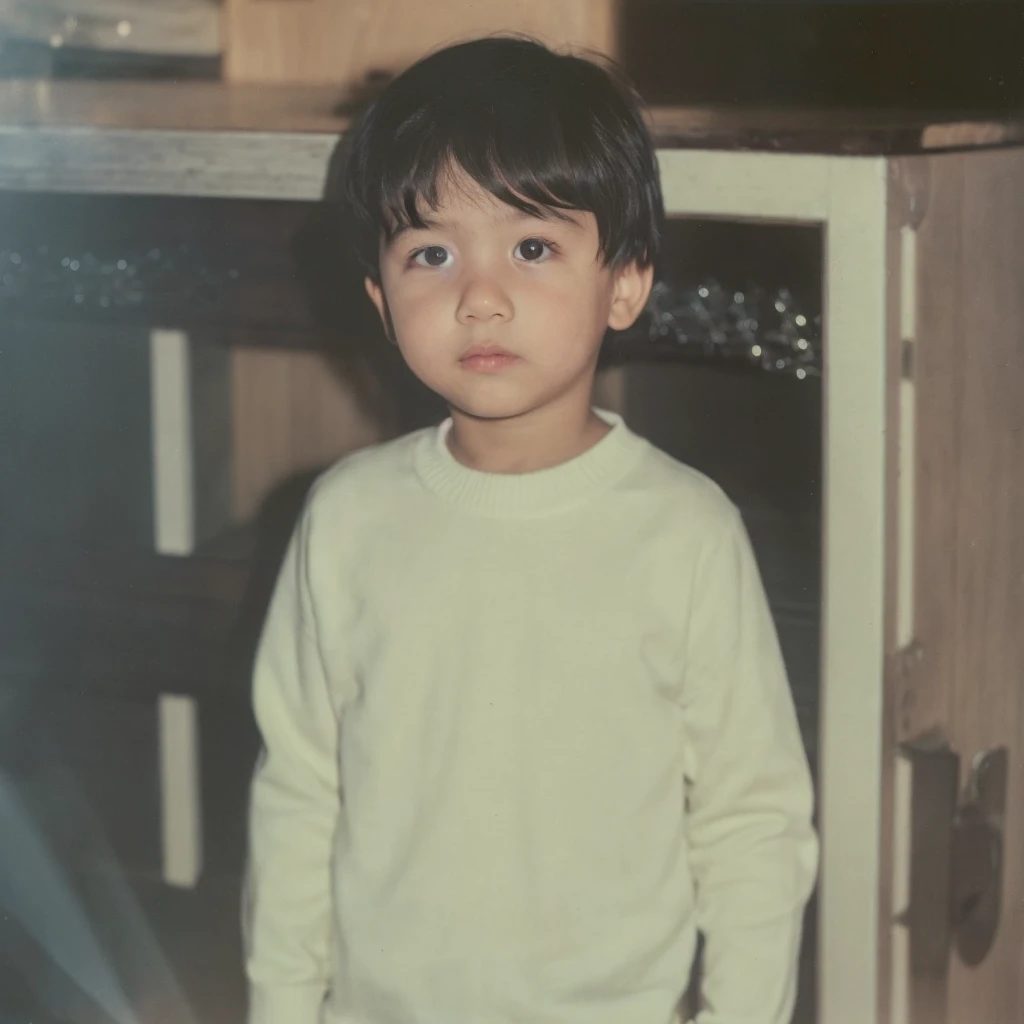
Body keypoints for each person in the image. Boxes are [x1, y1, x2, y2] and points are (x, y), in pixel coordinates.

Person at [242, 35, 819, 1024]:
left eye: (533, 246)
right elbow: (299, 792)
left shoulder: (681, 533)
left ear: (625, 284)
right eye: (431, 252)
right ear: (381, 301)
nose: (480, 294)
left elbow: (752, 823)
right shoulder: (346, 520)